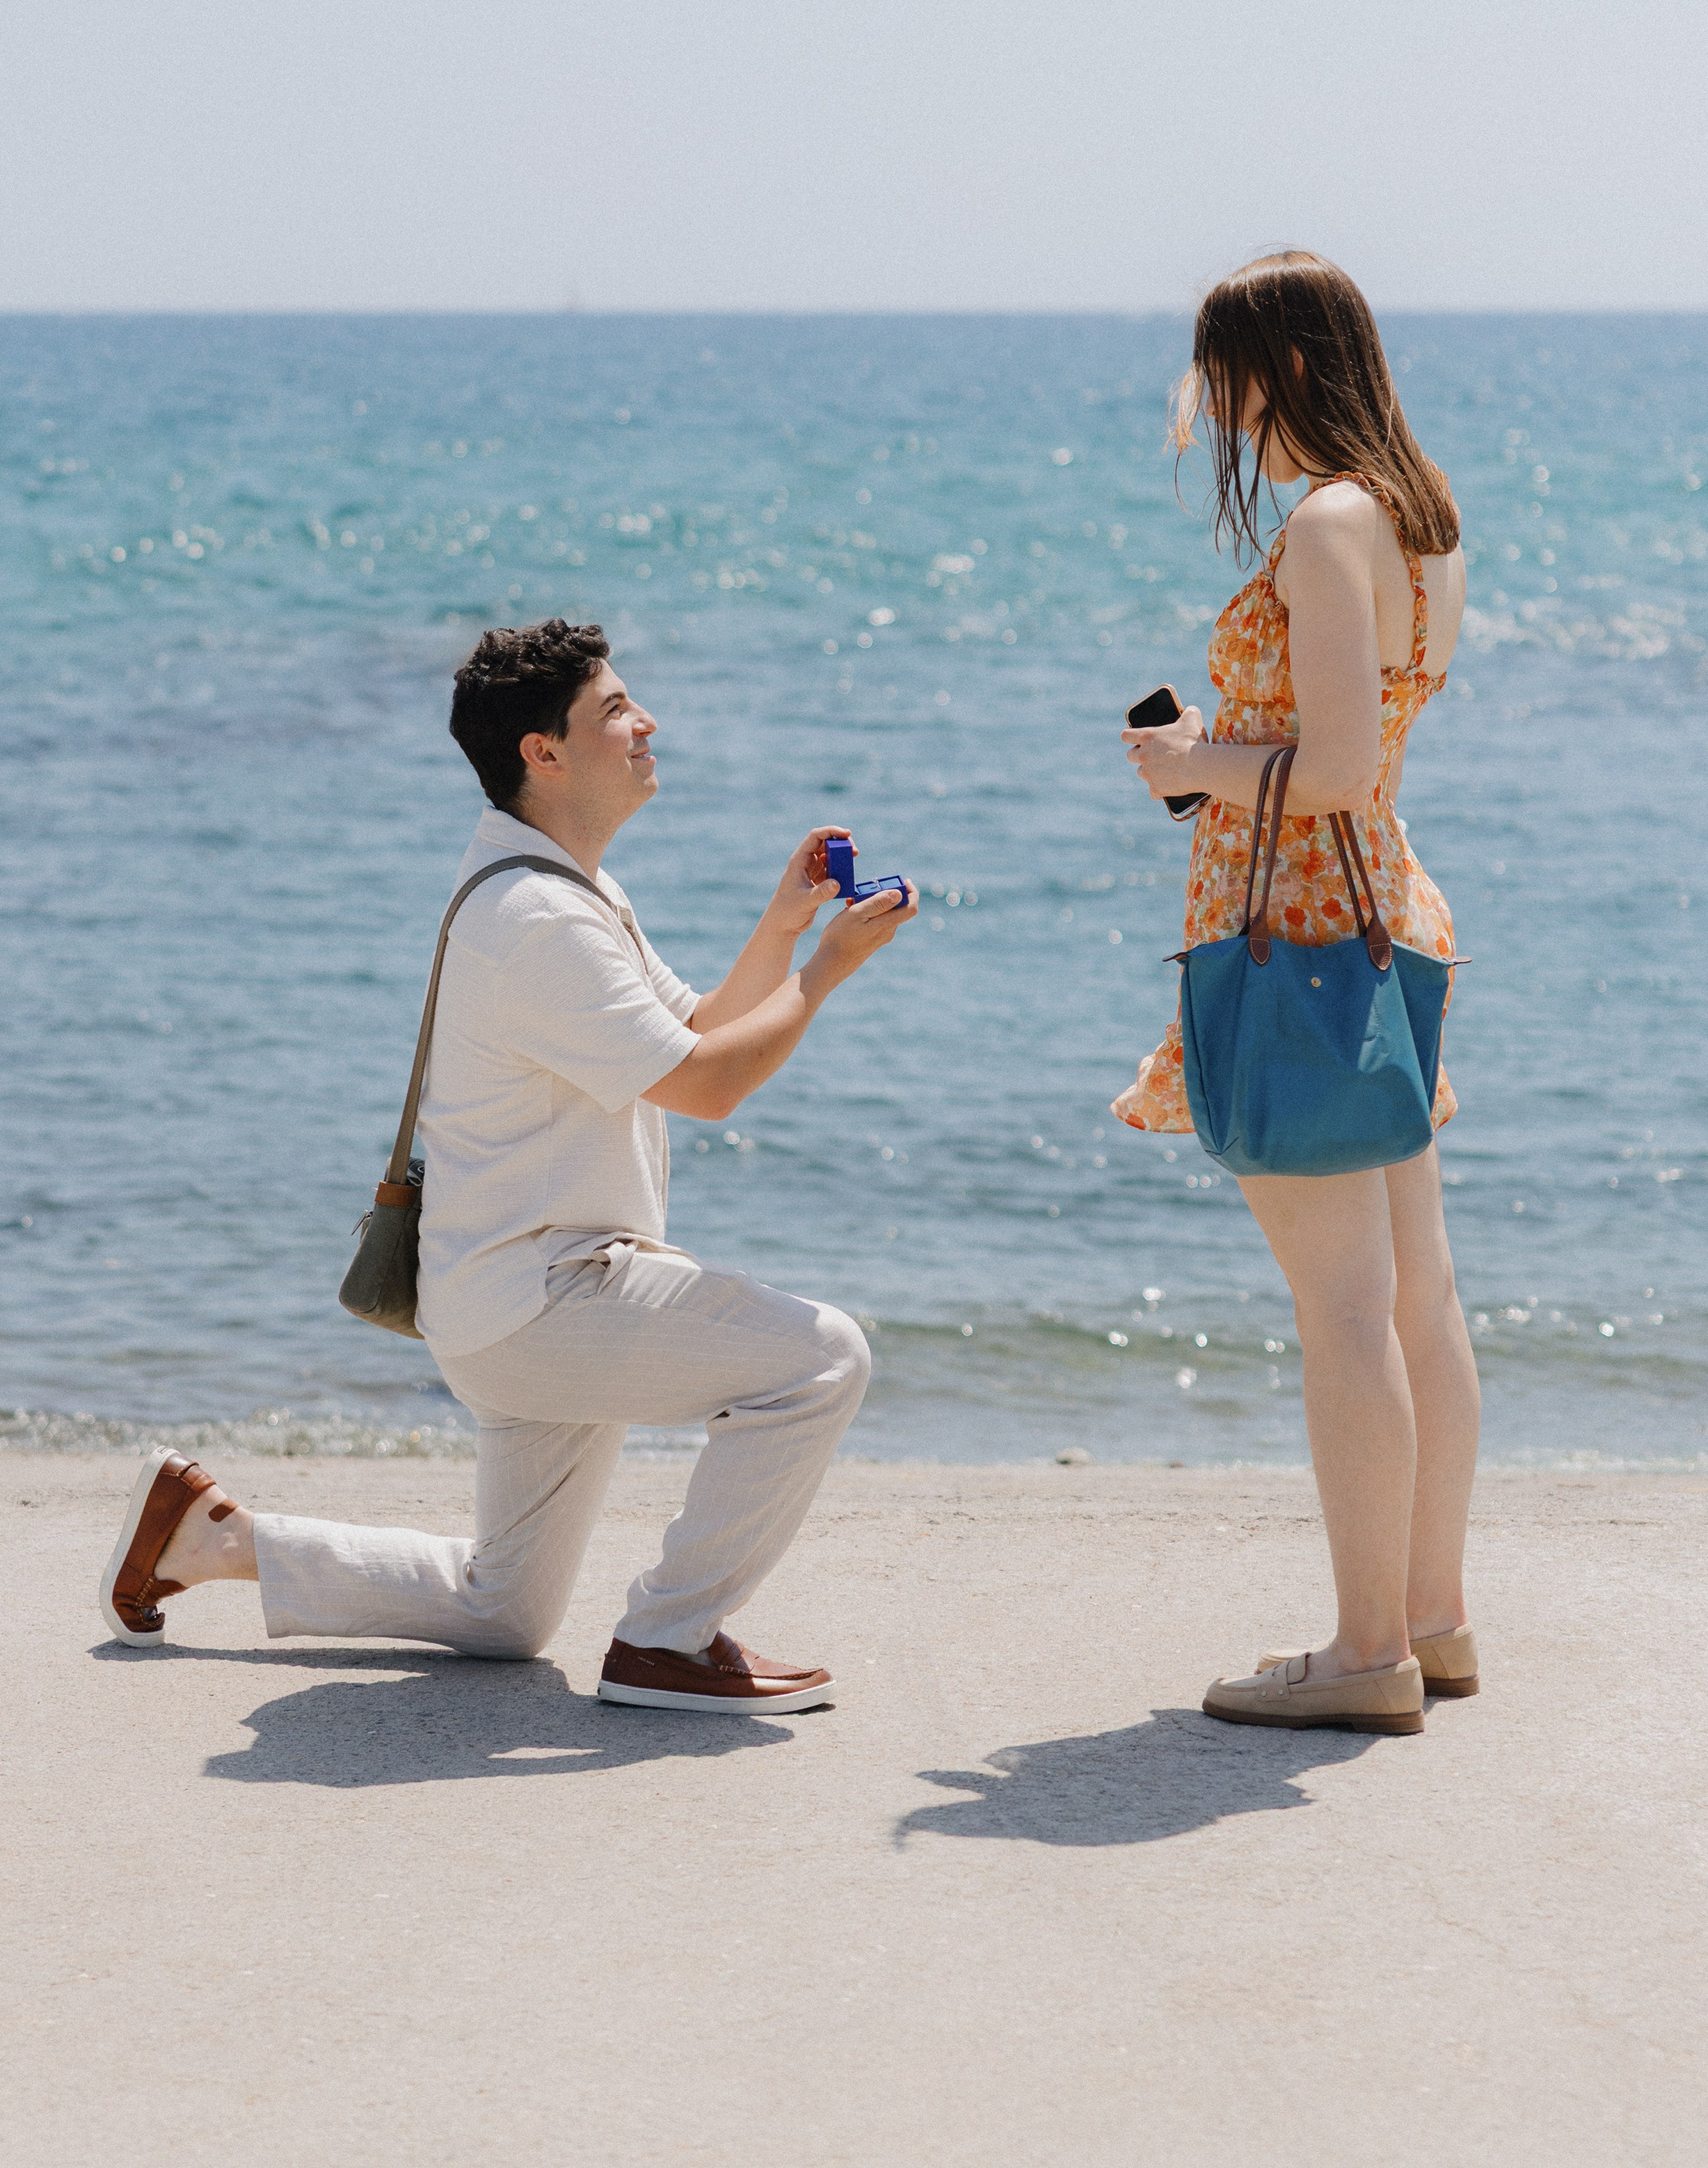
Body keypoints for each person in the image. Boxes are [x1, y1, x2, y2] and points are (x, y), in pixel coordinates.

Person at [99, 619, 915, 1711]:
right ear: (544, 751)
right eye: (618, 708)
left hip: (508, 1303)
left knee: (505, 1611)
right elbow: (712, 1087)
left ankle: (205, 1536)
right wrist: (826, 972)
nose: (647, 722)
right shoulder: (538, 915)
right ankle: (667, 1640)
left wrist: (782, 926)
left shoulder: (562, 886)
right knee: (822, 1360)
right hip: (552, 1295)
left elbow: (697, 1029)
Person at [1117, 251, 1480, 1735]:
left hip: (1296, 921)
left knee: (1343, 1306)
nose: (1207, 406)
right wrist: (1230, 742)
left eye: (1216, 375)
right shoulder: (1415, 515)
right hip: (1376, 908)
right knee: (1413, 1288)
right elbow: (1363, 746)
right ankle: (1429, 1619)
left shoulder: (1330, 522)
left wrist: (1195, 762)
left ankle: (1359, 1651)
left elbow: (1325, 767)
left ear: (1265, 368)